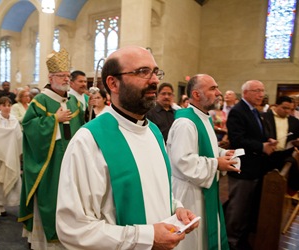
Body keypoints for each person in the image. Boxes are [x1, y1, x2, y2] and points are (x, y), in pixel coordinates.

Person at [56, 46, 199, 250]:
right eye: (142, 72)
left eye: (155, 72)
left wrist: (177, 209)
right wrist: (147, 237)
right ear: (113, 83)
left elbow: (154, 190)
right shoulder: (88, 141)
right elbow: (73, 228)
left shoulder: (154, 132)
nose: (154, 80)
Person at [19, 48, 85, 249]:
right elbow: (28, 127)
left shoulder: (74, 101)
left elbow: (81, 128)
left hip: (71, 158)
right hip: (49, 161)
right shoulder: (40, 100)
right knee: (51, 198)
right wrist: (54, 120)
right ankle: (45, 242)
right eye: (61, 76)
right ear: (50, 77)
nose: (65, 79)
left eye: (67, 75)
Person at [166, 74, 240, 250]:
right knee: (192, 243)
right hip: (189, 192)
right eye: (213, 89)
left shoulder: (203, 118)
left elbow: (203, 149)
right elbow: (183, 161)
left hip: (200, 187)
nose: (219, 93)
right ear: (197, 95)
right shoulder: (186, 123)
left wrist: (222, 153)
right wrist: (216, 164)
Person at [225, 80, 277, 250]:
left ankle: (241, 238)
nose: (261, 94)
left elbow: (256, 134)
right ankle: (231, 241)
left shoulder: (255, 111)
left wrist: (267, 140)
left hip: (256, 167)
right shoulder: (238, 111)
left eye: (262, 90)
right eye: (257, 90)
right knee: (238, 208)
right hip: (243, 167)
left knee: (247, 207)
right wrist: (262, 146)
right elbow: (237, 139)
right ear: (245, 93)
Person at [0, 96, 22, 215]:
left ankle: (13, 201)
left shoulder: (14, 119)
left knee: (13, 176)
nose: (7, 108)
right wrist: (8, 139)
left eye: (9, 105)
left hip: (12, 153)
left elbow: (18, 136)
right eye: (4, 105)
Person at [262, 96, 299, 195]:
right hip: (265, 158)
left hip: (284, 157)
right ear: (276, 105)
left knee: (277, 189)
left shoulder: (295, 121)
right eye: (285, 108)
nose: (287, 111)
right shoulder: (264, 117)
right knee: (262, 189)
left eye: (290, 109)